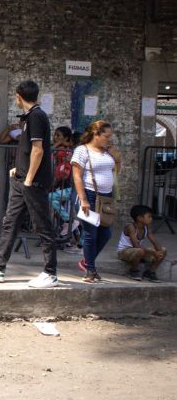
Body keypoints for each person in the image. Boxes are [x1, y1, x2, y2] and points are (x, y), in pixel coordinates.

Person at [0, 80, 59, 288]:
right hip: (21, 179)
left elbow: (38, 150)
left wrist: (28, 177)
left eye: (15, 96)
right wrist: (19, 169)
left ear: (19, 96)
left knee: (42, 225)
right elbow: (28, 149)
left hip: (33, 182)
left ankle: (50, 273)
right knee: (10, 222)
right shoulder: (29, 117)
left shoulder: (37, 116)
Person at [71, 120, 121, 283]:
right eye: (106, 136)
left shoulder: (108, 152)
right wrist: (83, 199)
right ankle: (90, 270)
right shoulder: (82, 150)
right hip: (88, 195)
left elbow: (115, 173)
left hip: (106, 197)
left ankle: (86, 262)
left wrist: (117, 159)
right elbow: (77, 176)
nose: (109, 139)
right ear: (96, 134)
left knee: (105, 233)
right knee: (91, 233)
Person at [117, 205, 167, 282]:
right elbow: (136, 245)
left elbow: (153, 239)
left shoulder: (146, 227)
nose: (151, 219)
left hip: (138, 251)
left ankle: (150, 272)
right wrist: (154, 252)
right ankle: (133, 271)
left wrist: (160, 252)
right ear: (139, 218)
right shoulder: (131, 227)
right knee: (140, 250)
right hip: (124, 251)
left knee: (163, 250)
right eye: (149, 216)